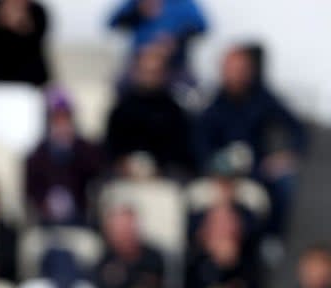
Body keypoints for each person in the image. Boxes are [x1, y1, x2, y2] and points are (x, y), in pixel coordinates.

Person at [194, 45, 306, 235]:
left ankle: (272, 242)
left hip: (256, 174)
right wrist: (217, 173)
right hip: (217, 175)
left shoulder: (262, 99)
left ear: (250, 71)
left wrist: (286, 156)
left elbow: (297, 129)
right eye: (229, 69)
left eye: (240, 69)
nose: (234, 75)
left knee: (283, 184)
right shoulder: (212, 104)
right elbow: (200, 145)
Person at [104, 44, 194, 178]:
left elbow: (182, 153)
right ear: (136, 72)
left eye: (155, 72)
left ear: (164, 74)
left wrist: (160, 168)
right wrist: (124, 164)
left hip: (164, 182)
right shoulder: (121, 111)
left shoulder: (174, 112)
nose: (150, 77)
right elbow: (110, 150)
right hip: (126, 181)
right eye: (146, 71)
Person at [24, 89, 103, 227]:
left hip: (80, 217)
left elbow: (97, 176)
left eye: (65, 118)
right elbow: (31, 190)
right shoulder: (37, 155)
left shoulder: (86, 149)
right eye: (56, 119)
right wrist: (44, 204)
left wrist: (73, 149)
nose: (61, 124)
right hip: (47, 220)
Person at [108, 0, 207, 83]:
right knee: (121, 88)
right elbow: (112, 22)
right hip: (140, 66)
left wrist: (176, 36)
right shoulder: (137, 3)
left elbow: (202, 26)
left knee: (189, 95)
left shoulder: (184, 3)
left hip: (174, 65)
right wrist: (136, 9)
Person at [93, 203, 166, 288]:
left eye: (129, 227)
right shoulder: (103, 261)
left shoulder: (153, 258)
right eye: (121, 229)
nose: (127, 234)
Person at [0, 0, 50, 86]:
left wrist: (21, 22)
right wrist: (4, 18)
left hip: (30, 70)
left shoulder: (38, 11)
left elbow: (35, 43)